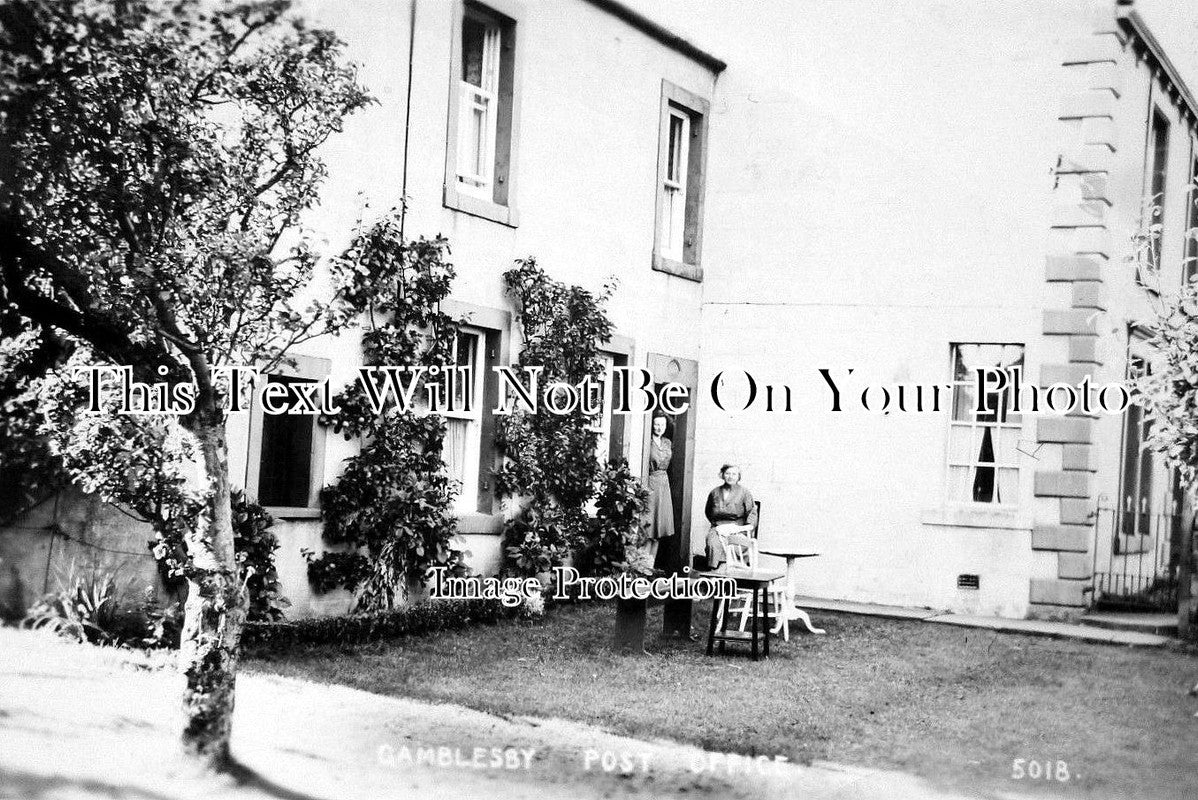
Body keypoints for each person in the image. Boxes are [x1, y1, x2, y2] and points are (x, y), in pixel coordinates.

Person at [704, 464, 758, 569]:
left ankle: (726, 569)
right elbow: (708, 511)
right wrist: (717, 525)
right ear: (722, 475)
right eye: (727, 473)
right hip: (718, 528)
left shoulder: (744, 492)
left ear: (738, 477)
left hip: (738, 528)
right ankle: (716, 570)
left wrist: (747, 527)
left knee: (734, 544)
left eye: (734, 474)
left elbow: (752, 512)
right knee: (713, 543)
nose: (730, 476)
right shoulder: (714, 492)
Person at [643, 413, 676, 563]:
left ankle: (650, 565)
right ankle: (641, 564)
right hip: (650, 482)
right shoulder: (647, 441)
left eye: (662, 424)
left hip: (664, 484)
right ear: (652, 425)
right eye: (656, 424)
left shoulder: (667, 442)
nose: (659, 427)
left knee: (659, 529)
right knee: (648, 526)